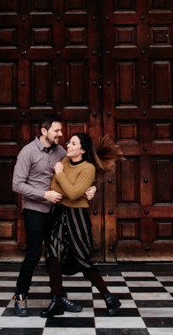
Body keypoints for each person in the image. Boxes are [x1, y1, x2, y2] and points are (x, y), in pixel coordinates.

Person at [9, 114, 95, 316]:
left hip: (56, 212)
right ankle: (20, 297)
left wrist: (93, 188)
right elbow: (16, 184)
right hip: (35, 211)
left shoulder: (61, 151)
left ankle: (59, 297)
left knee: (54, 255)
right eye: (56, 130)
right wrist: (43, 194)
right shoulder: (27, 152)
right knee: (32, 254)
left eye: (61, 131)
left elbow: (77, 171)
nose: (61, 134)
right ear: (44, 131)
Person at [41, 132, 124, 318]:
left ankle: (109, 298)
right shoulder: (64, 161)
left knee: (82, 259)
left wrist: (62, 176)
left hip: (77, 216)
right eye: (69, 142)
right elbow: (55, 188)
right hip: (60, 213)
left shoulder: (88, 169)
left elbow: (74, 193)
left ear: (83, 150)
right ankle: (56, 300)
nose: (68, 145)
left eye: (73, 143)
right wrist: (68, 184)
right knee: (52, 253)